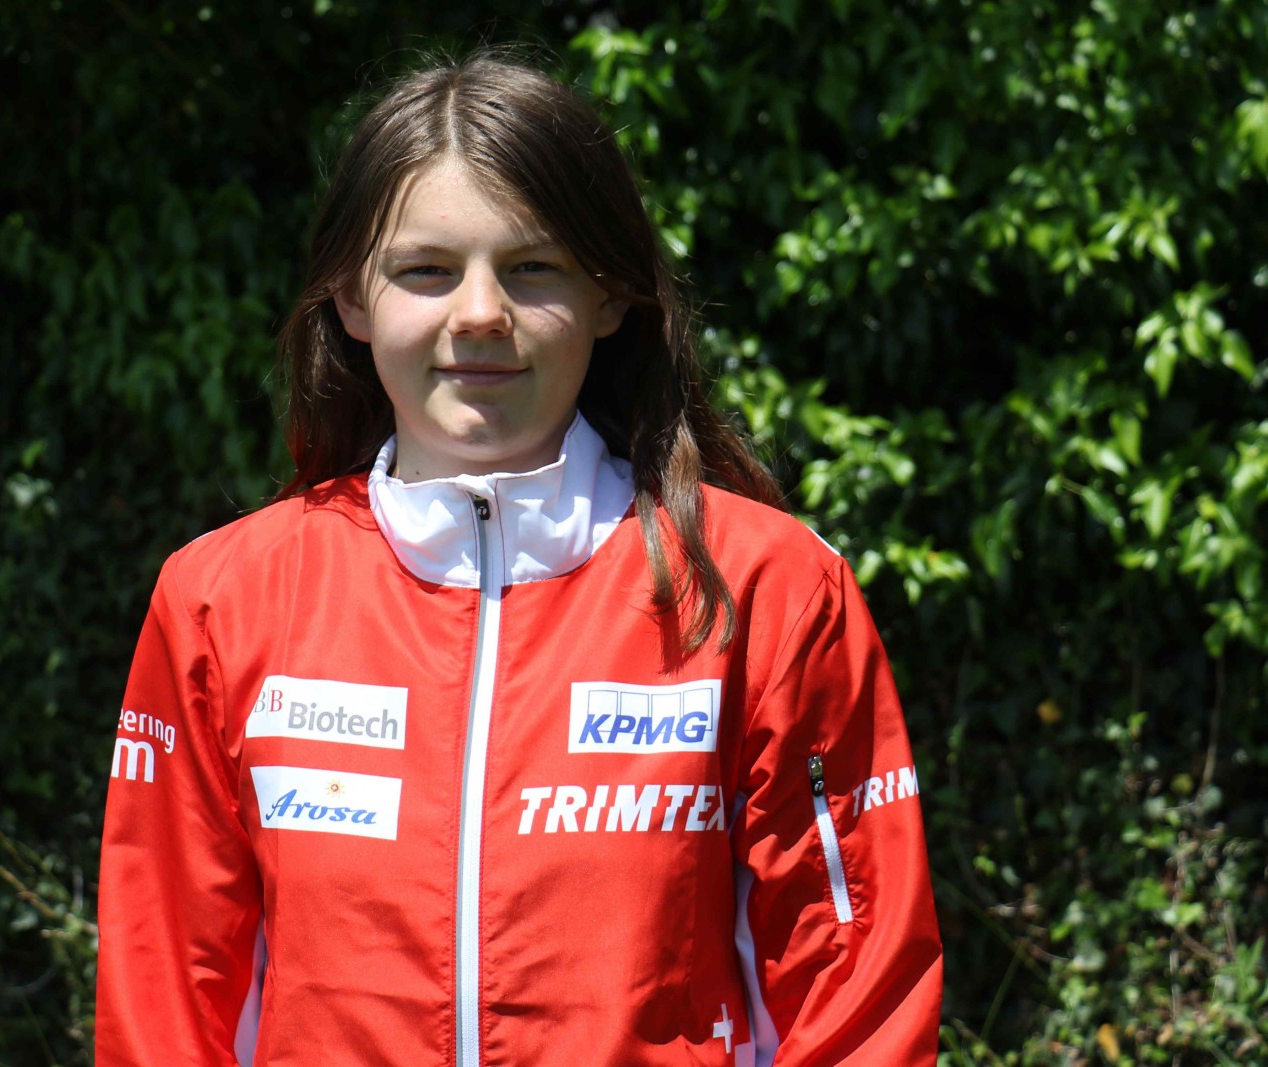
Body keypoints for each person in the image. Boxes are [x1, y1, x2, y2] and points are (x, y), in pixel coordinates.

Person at [96, 51, 942, 1066]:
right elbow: (161, 1006)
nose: (479, 313)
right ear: (352, 300)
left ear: (609, 295)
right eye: (426, 270)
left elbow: (859, 1000)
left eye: (532, 268)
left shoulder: (768, 589)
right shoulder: (220, 601)